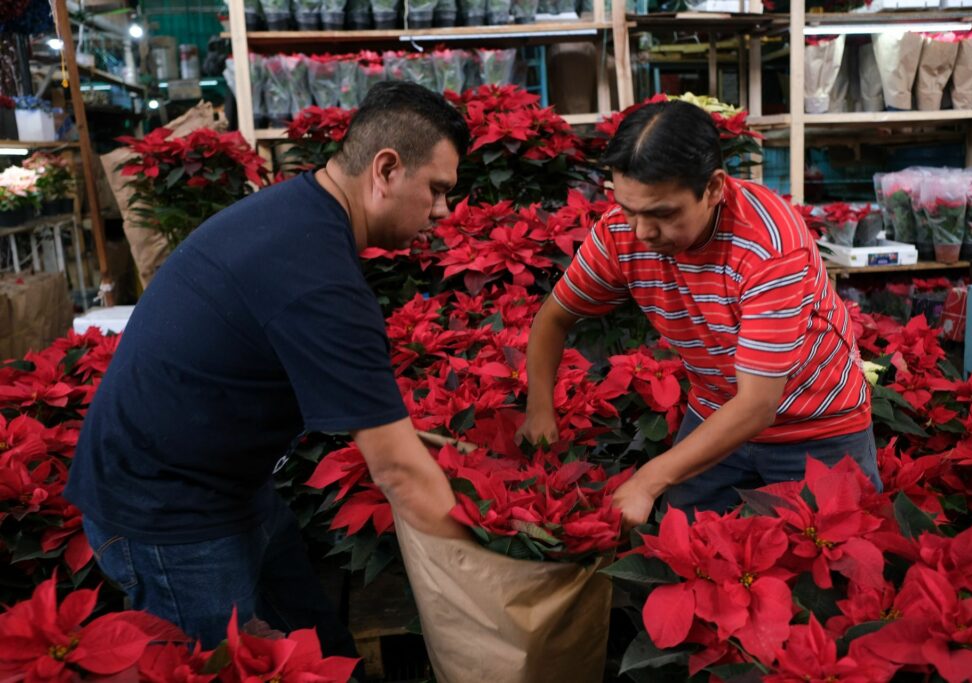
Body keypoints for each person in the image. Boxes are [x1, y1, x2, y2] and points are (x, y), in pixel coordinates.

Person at [65, 82, 470, 654]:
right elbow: (398, 473)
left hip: (229, 482)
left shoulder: (303, 214)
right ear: (385, 169)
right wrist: (499, 558)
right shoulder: (319, 275)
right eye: (436, 190)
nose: (442, 212)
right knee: (221, 665)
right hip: (168, 511)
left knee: (319, 649)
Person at [517, 100, 882, 529]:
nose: (642, 233)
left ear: (713, 189)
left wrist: (648, 481)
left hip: (815, 426)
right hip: (715, 410)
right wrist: (538, 409)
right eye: (628, 209)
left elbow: (757, 406)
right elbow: (554, 318)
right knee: (684, 556)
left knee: (837, 565)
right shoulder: (622, 231)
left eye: (662, 214)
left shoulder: (769, 246)